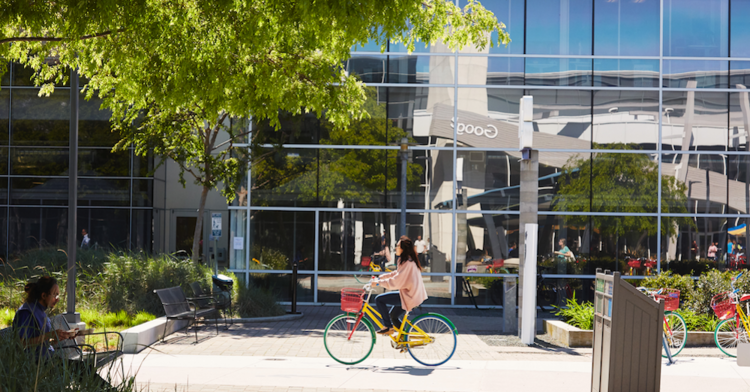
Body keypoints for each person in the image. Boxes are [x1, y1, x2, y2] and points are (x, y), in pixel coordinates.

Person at [13, 276, 114, 390]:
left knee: (83, 367)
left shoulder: (40, 311)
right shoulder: (26, 313)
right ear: (44, 295)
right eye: (55, 294)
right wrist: (49, 335)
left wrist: (59, 337)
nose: (57, 298)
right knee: (81, 369)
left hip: (48, 359)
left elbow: (42, 341)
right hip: (36, 364)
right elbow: (21, 344)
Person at [371, 236, 428, 335]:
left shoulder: (408, 263)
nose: (396, 248)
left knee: (379, 299)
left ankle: (388, 327)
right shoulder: (405, 261)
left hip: (410, 296)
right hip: (409, 294)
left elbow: (396, 281)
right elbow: (397, 274)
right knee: (393, 316)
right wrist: (382, 277)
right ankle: (405, 338)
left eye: (398, 246)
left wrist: (378, 283)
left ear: (403, 249)